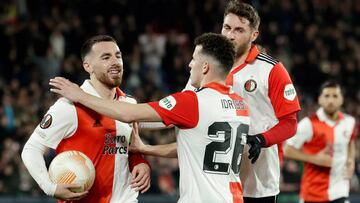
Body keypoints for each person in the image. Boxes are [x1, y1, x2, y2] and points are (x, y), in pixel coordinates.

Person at [50, 33, 250, 203]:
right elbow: (197, 147)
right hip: (233, 197)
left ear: (205, 67)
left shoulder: (191, 102)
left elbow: (128, 114)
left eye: (194, 59)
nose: (190, 64)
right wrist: (146, 150)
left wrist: (80, 96)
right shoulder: (241, 106)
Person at [139, 1, 301, 202]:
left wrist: (261, 139)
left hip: (258, 184)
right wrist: (132, 122)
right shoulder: (205, 67)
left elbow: (290, 123)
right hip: (214, 183)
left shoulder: (271, 70)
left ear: (254, 35)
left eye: (239, 30)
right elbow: (173, 115)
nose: (231, 35)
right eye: (227, 27)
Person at [21, 35, 151, 202]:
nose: (115, 62)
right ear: (87, 66)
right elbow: (31, 149)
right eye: (106, 57)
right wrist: (50, 187)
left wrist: (139, 161)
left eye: (118, 56)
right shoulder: (69, 107)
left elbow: (126, 146)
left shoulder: (128, 103)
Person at [284, 80, 357, 203]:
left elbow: (350, 141)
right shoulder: (308, 124)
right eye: (327, 96)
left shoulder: (349, 122)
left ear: (342, 99)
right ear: (320, 99)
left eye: (335, 96)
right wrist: (314, 159)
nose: (331, 100)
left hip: (340, 191)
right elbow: (287, 150)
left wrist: (351, 160)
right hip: (313, 194)